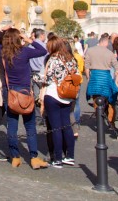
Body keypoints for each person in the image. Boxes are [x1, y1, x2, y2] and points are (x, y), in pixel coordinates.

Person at [0, 27, 49, 169]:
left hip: (11, 93)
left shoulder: (3, 52)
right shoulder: (25, 51)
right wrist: (28, 39)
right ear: (18, 38)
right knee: (30, 127)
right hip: (25, 92)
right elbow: (43, 50)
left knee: (12, 126)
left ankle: (15, 156)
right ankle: (33, 157)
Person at [41, 36, 78, 167]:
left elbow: (47, 79)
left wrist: (35, 77)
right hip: (67, 96)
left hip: (53, 95)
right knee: (66, 126)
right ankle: (70, 155)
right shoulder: (71, 60)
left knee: (56, 128)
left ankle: (57, 158)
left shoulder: (53, 59)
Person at [84, 31, 118, 129]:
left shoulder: (90, 51)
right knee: (111, 100)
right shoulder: (109, 53)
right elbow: (117, 68)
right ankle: (111, 122)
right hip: (106, 77)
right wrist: (116, 80)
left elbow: (86, 67)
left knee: (96, 100)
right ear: (106, 43)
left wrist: (88, 78)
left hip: (94, 77)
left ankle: (99, 120)